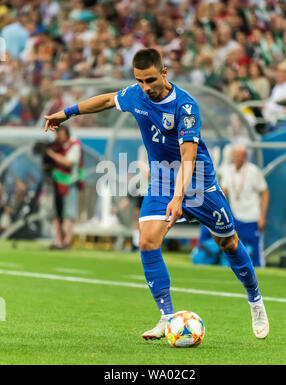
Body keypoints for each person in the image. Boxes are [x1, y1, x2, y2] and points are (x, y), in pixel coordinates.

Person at [44, 48, 269, 340]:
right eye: (140, 81)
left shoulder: (186, 107)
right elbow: (106, 100)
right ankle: (166, 316)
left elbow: (188, 158)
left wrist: (179, 198)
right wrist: (66, 114)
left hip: (199, 182)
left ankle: (255, 299)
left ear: (164, 73)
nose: (146, 87)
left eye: (150, 79)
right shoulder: (136, 95)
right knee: (147, 240)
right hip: (162, 181)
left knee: (229, 242)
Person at [221, 146, 269, 267]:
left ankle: (260, 273)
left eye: (239, 155)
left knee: (256, 250)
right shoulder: (228, 171)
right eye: (234, 155)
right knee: (235, 249)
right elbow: (223, 192)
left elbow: (265, 193)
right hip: (235, 216)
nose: (236, 158)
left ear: (245, 157)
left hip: (253, 216)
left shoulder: (253, 171)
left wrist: (262, 217)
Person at [45, 125, 85, 249]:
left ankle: (67, 241)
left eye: (61, 135)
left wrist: (51, 154)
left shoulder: (74, 145)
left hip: (70, 182)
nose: (59, 137)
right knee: (56, 213)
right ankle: (58, 240)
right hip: (56, 182)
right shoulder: (57, 146)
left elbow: (68, 162)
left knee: (69, 213)